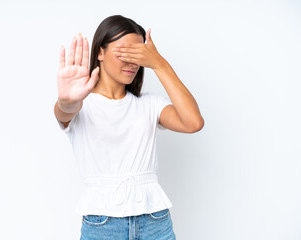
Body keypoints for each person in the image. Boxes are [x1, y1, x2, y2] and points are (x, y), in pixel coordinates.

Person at [54, 15, 204, 240]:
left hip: (155, 221)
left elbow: (193, 122)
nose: (132, 61)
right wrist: (67, 100)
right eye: (124, 51)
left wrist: (159, 64)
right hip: (102, 225)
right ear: (100, 52)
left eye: (139, 54)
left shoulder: (150, 105)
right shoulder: (82, 107)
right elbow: (64, 111)